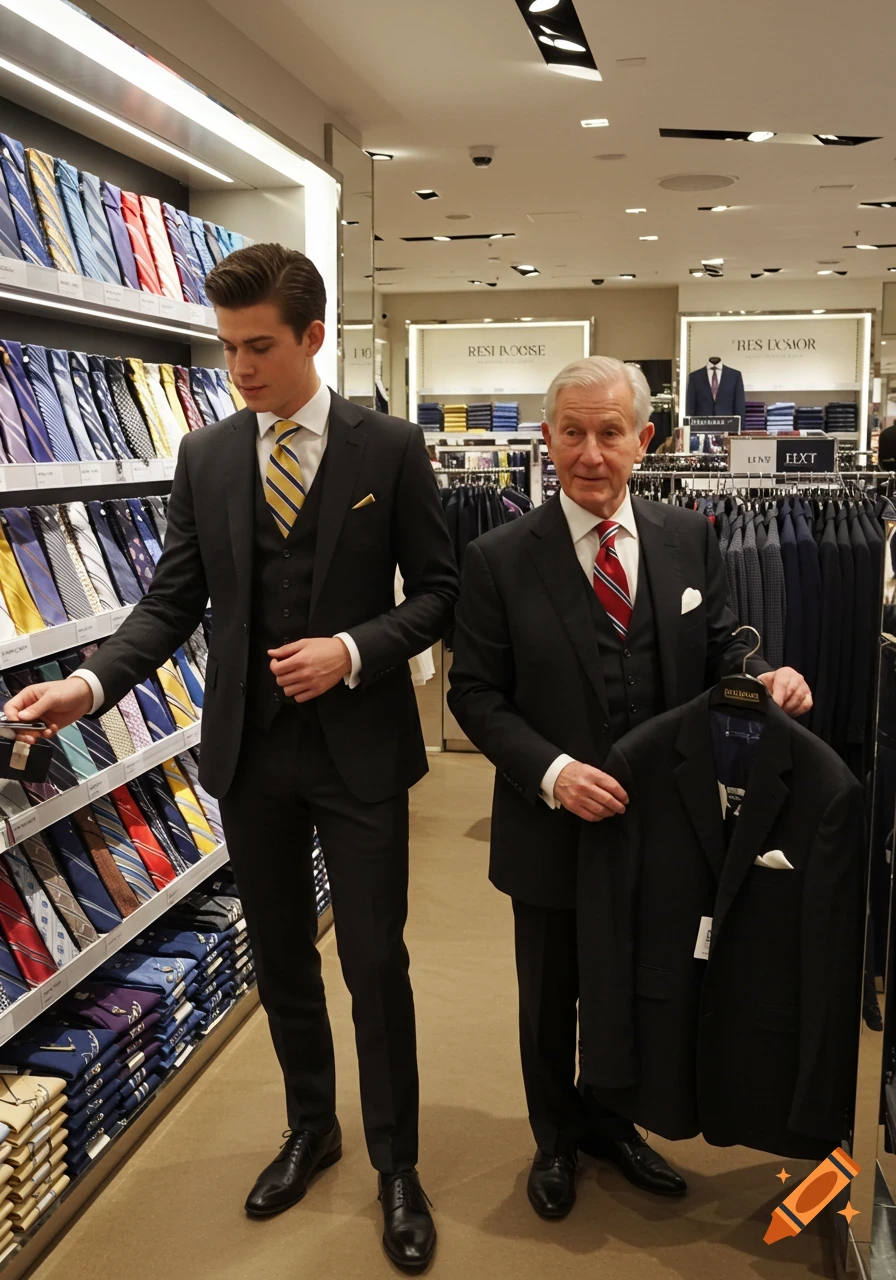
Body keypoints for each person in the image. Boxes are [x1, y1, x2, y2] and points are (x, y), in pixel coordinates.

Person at [5, 244, 457, 1271]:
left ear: (312, 337)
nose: (240, 368)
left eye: (259, 347)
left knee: (374, 960)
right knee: (283, 954)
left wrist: (352, 650)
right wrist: (88, 686)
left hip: (360, 753)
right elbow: (169, 602)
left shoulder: (388, 448)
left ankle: (396, 1164)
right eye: (228, 349)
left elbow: (440, 591)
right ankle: (312, 1126)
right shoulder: (206, 454)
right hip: (251, 754)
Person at [447, 356, 811, 1221]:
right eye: (572, 432)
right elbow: (475, 694)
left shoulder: (689, 537)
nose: (590, 453)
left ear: (644, 439)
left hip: (660, 824)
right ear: (547, 438)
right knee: (551, 995)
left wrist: (763, 679)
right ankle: (554, 1139)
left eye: (609, 432)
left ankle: (615, 1122)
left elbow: (721, 650)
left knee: (640, 981)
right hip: (549, 823)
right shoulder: (498, 557)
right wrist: (553, 772)